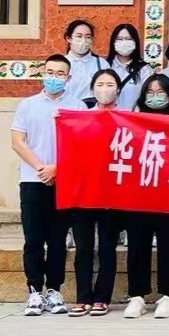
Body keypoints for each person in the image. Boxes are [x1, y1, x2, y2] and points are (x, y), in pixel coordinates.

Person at [12, 54, 73, 316]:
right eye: (50, 72)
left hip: (64, 181)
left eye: (60, 73)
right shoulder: (28, 105)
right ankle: (34, 291)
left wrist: (57, 167)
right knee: (33, 240)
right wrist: (41, 168)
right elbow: (18, 142)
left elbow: (80, 145)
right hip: (31, 180)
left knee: (58, 241)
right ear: (42, 73)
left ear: (68, 78)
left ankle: (54, 290)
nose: (54, 77)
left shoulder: (76, 106)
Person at [123, 74, 169, 320]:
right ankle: (137, 295)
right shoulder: (134, 122)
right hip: (139, 193)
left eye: (160, 92)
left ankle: (168, 295)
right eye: (150, 92)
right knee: (137, 244)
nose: (155, 96)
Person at [67, 68, 123, 316]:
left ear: (118, 89)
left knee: (108, 247)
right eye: (100, 84)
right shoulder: (81, 118)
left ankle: (102, 297)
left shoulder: (126, 118)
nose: (104, 89)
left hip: (111, 192)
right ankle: (82, 297)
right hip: (84, 191)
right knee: (84, 247)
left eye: (110, 84)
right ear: (92, 90)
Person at [105, 23, 155, 110]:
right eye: (119, 39)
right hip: (109, 116)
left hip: (134, 117)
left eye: (129, 39)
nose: (124, 42)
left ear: (135, 42)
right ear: (113, 42)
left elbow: (149, 97)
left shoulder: (145, 70)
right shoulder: (105, 66)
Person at [62, 20, 110, 103]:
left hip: (93, 109)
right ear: (68, 38)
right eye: (79, 36)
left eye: (88, 37)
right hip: (66, 108)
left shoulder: (101, 64)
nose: (83, 40)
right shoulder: (60, 63)